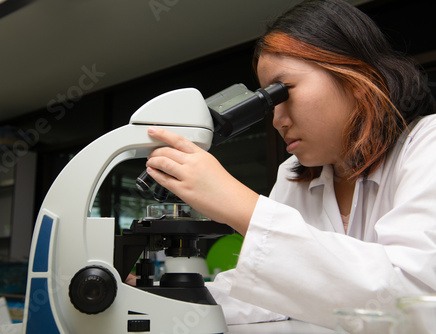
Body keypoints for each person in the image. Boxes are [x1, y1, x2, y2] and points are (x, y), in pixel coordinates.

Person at [144, 0, 436, 329]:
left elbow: (414, 297)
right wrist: (150, 302)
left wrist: (240, 206)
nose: (277, 120)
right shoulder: (292, 174)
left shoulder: (428, 146)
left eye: (283, 92)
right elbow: (267, 292)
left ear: (355, 80)